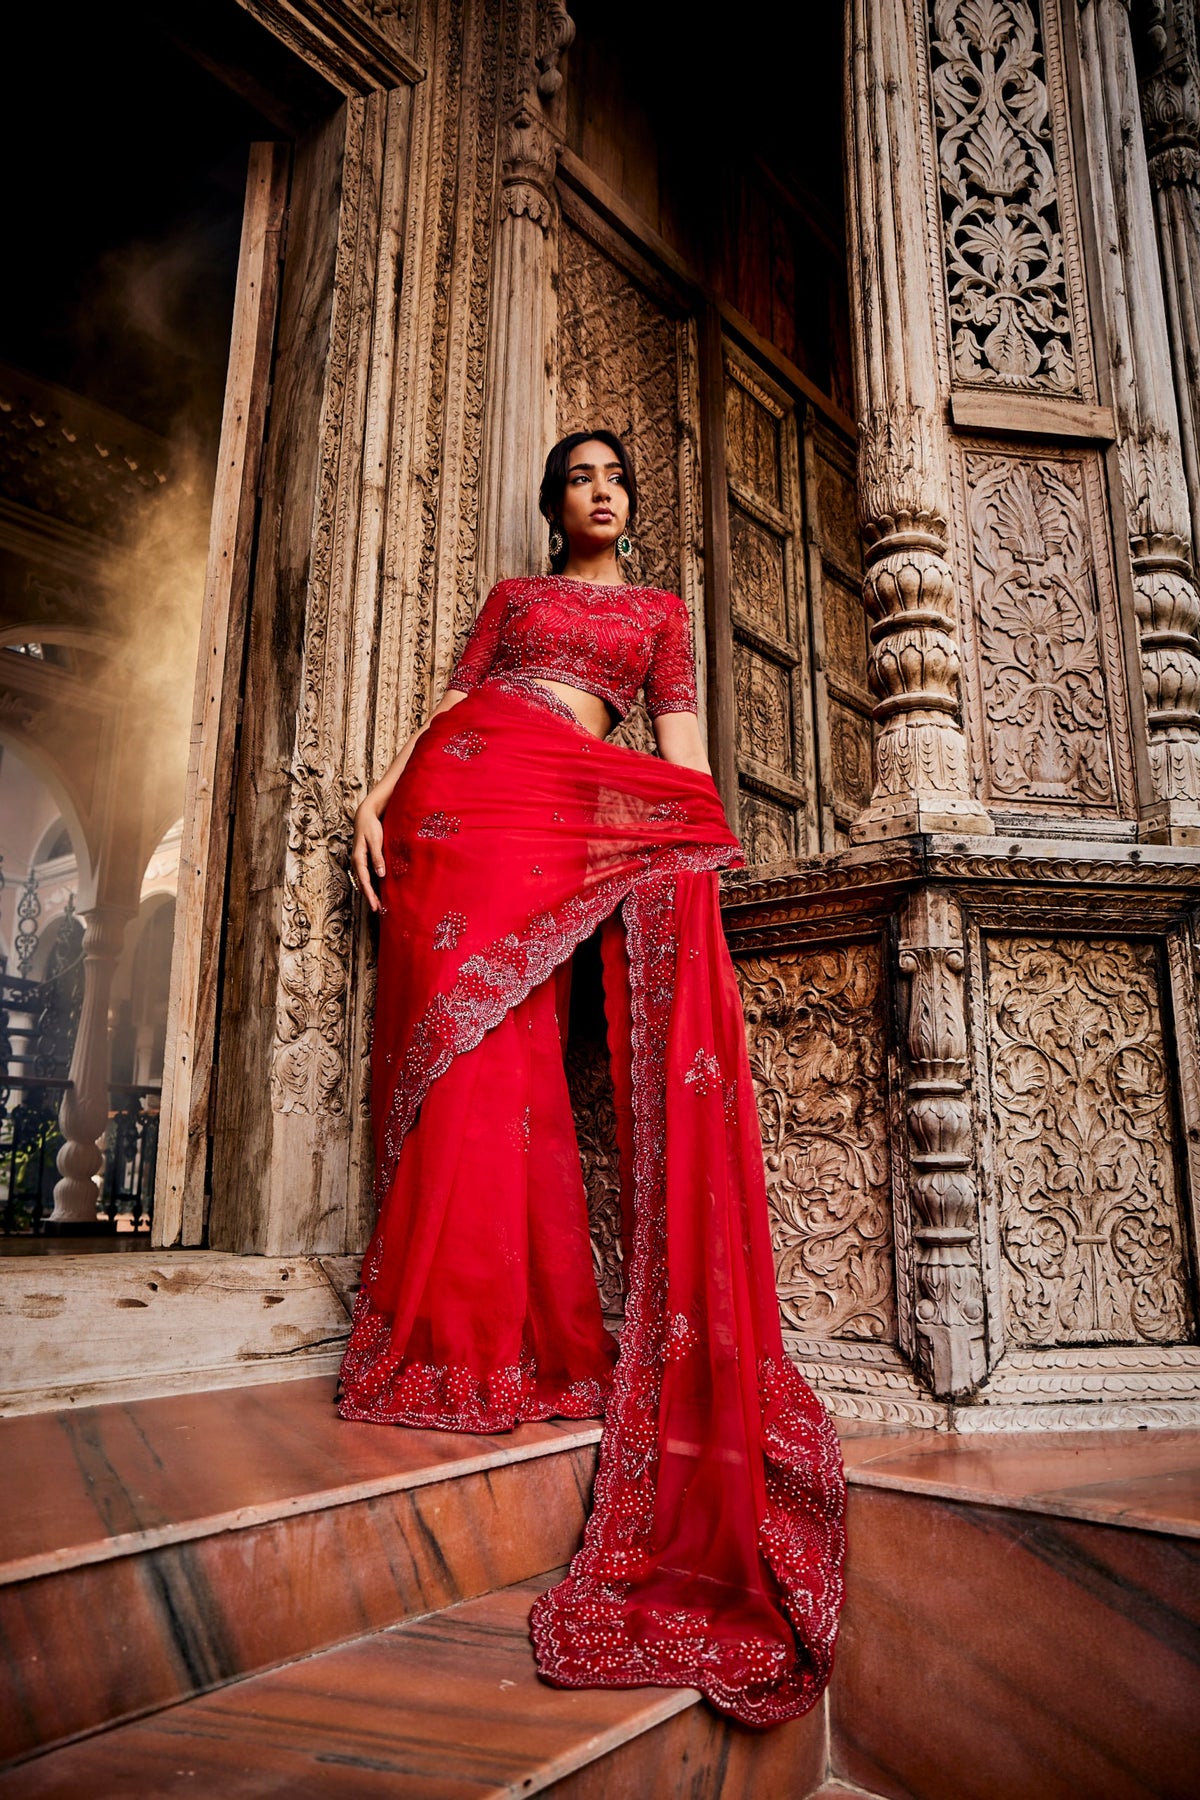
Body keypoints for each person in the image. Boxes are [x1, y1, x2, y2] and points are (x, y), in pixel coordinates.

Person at [338, 428, 846, 1726]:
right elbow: (455, 704)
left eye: (616, 475)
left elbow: (678, 754)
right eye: (578, 475)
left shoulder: (661, 617)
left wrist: (694, 845)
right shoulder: (514, 602)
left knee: (516, 1059)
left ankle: (508, 1341)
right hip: (461, 797)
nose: (600, 490)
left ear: (632, 499)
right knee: (467, 1062)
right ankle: (446, 1343)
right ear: (554, 502)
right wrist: (378, 793)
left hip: (562, 812)